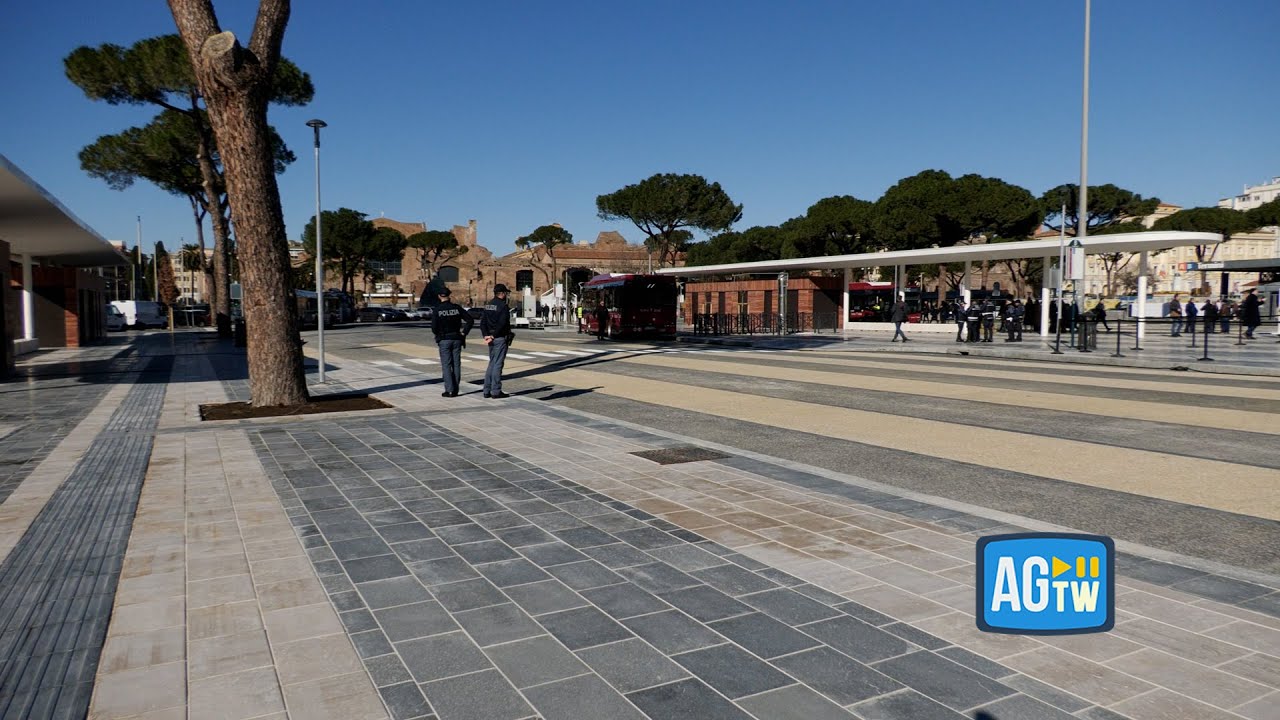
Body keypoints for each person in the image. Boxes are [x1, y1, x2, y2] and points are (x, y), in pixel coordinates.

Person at [430, 287, 473, 397]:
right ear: (449, 295)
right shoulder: (456, 308)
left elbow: (434, 327)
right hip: (457, 338)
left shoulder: (437, 310)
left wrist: (438, 335)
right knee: (456, 364)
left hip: (444, 339)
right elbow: (470, 320)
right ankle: (455, 389)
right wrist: (464, 333)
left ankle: (449, 390)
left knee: (446, 365)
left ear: (439, 296)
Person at [480, 284, 514, 399]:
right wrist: (494, 336)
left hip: (489, 337)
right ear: (502, 293)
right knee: (498, 364)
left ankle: (486, 389)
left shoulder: (488, 305)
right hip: (499, 337)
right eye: (506, 293)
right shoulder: (503, 306)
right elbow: (502, 323)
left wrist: (486, 335)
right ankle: (496, 391)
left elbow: (483, 322)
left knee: (492, 363)